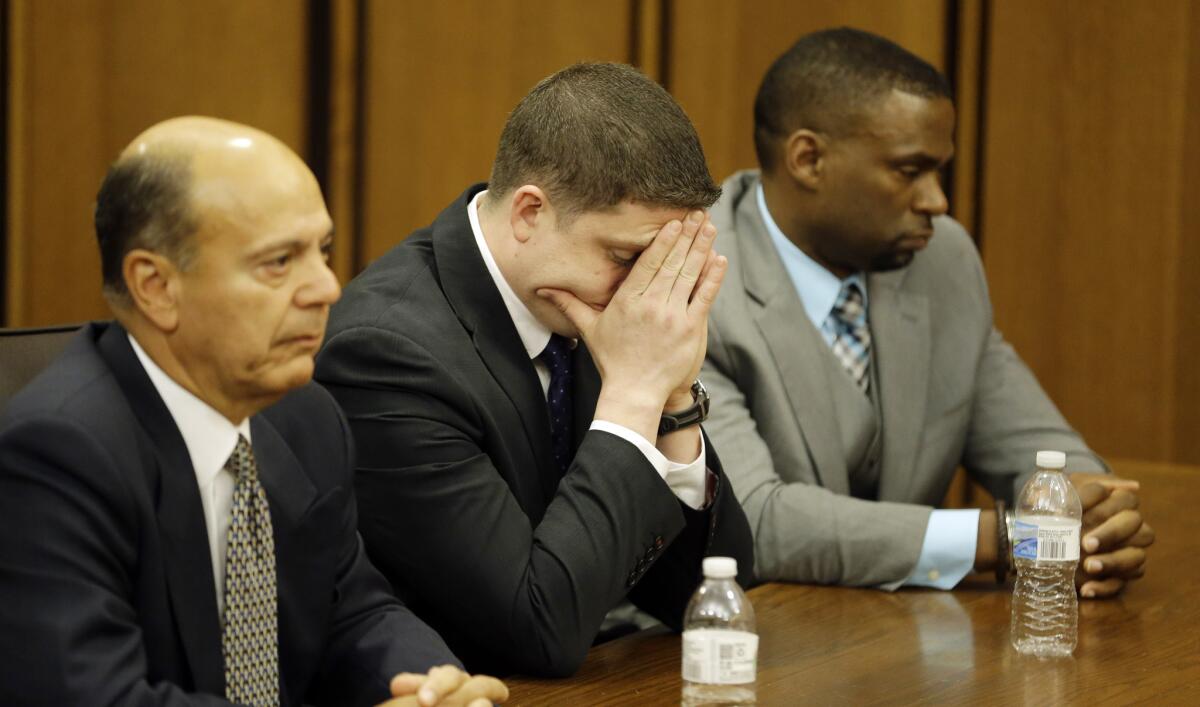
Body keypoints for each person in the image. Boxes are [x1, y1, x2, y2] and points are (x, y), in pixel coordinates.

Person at [0, 117, 507, 707]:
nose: (327, 288)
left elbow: (354, 611)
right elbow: (95, 697)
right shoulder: (59, 456)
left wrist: (429, 687)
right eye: (278, 263)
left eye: (322, 252)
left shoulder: (306, 417)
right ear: (155, 286)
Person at [315, 63, 754, 677]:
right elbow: (536, 630)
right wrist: (634, 394)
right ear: (528, 213)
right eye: (627, 257)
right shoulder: (386, 355)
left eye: (662, 261)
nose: (648, 296)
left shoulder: (591, 304)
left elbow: (710, 600)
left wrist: (675, 400)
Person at [702, 28, 1153, 594]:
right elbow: (756, 522)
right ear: (809, 159)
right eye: (909, 171)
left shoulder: (942, 260)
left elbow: (1039, 449)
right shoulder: (697, 278)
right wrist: (1011, 540)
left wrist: (1095, 522)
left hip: (907, 648)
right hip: (739, 646)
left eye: (939, 171)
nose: (937, 202)